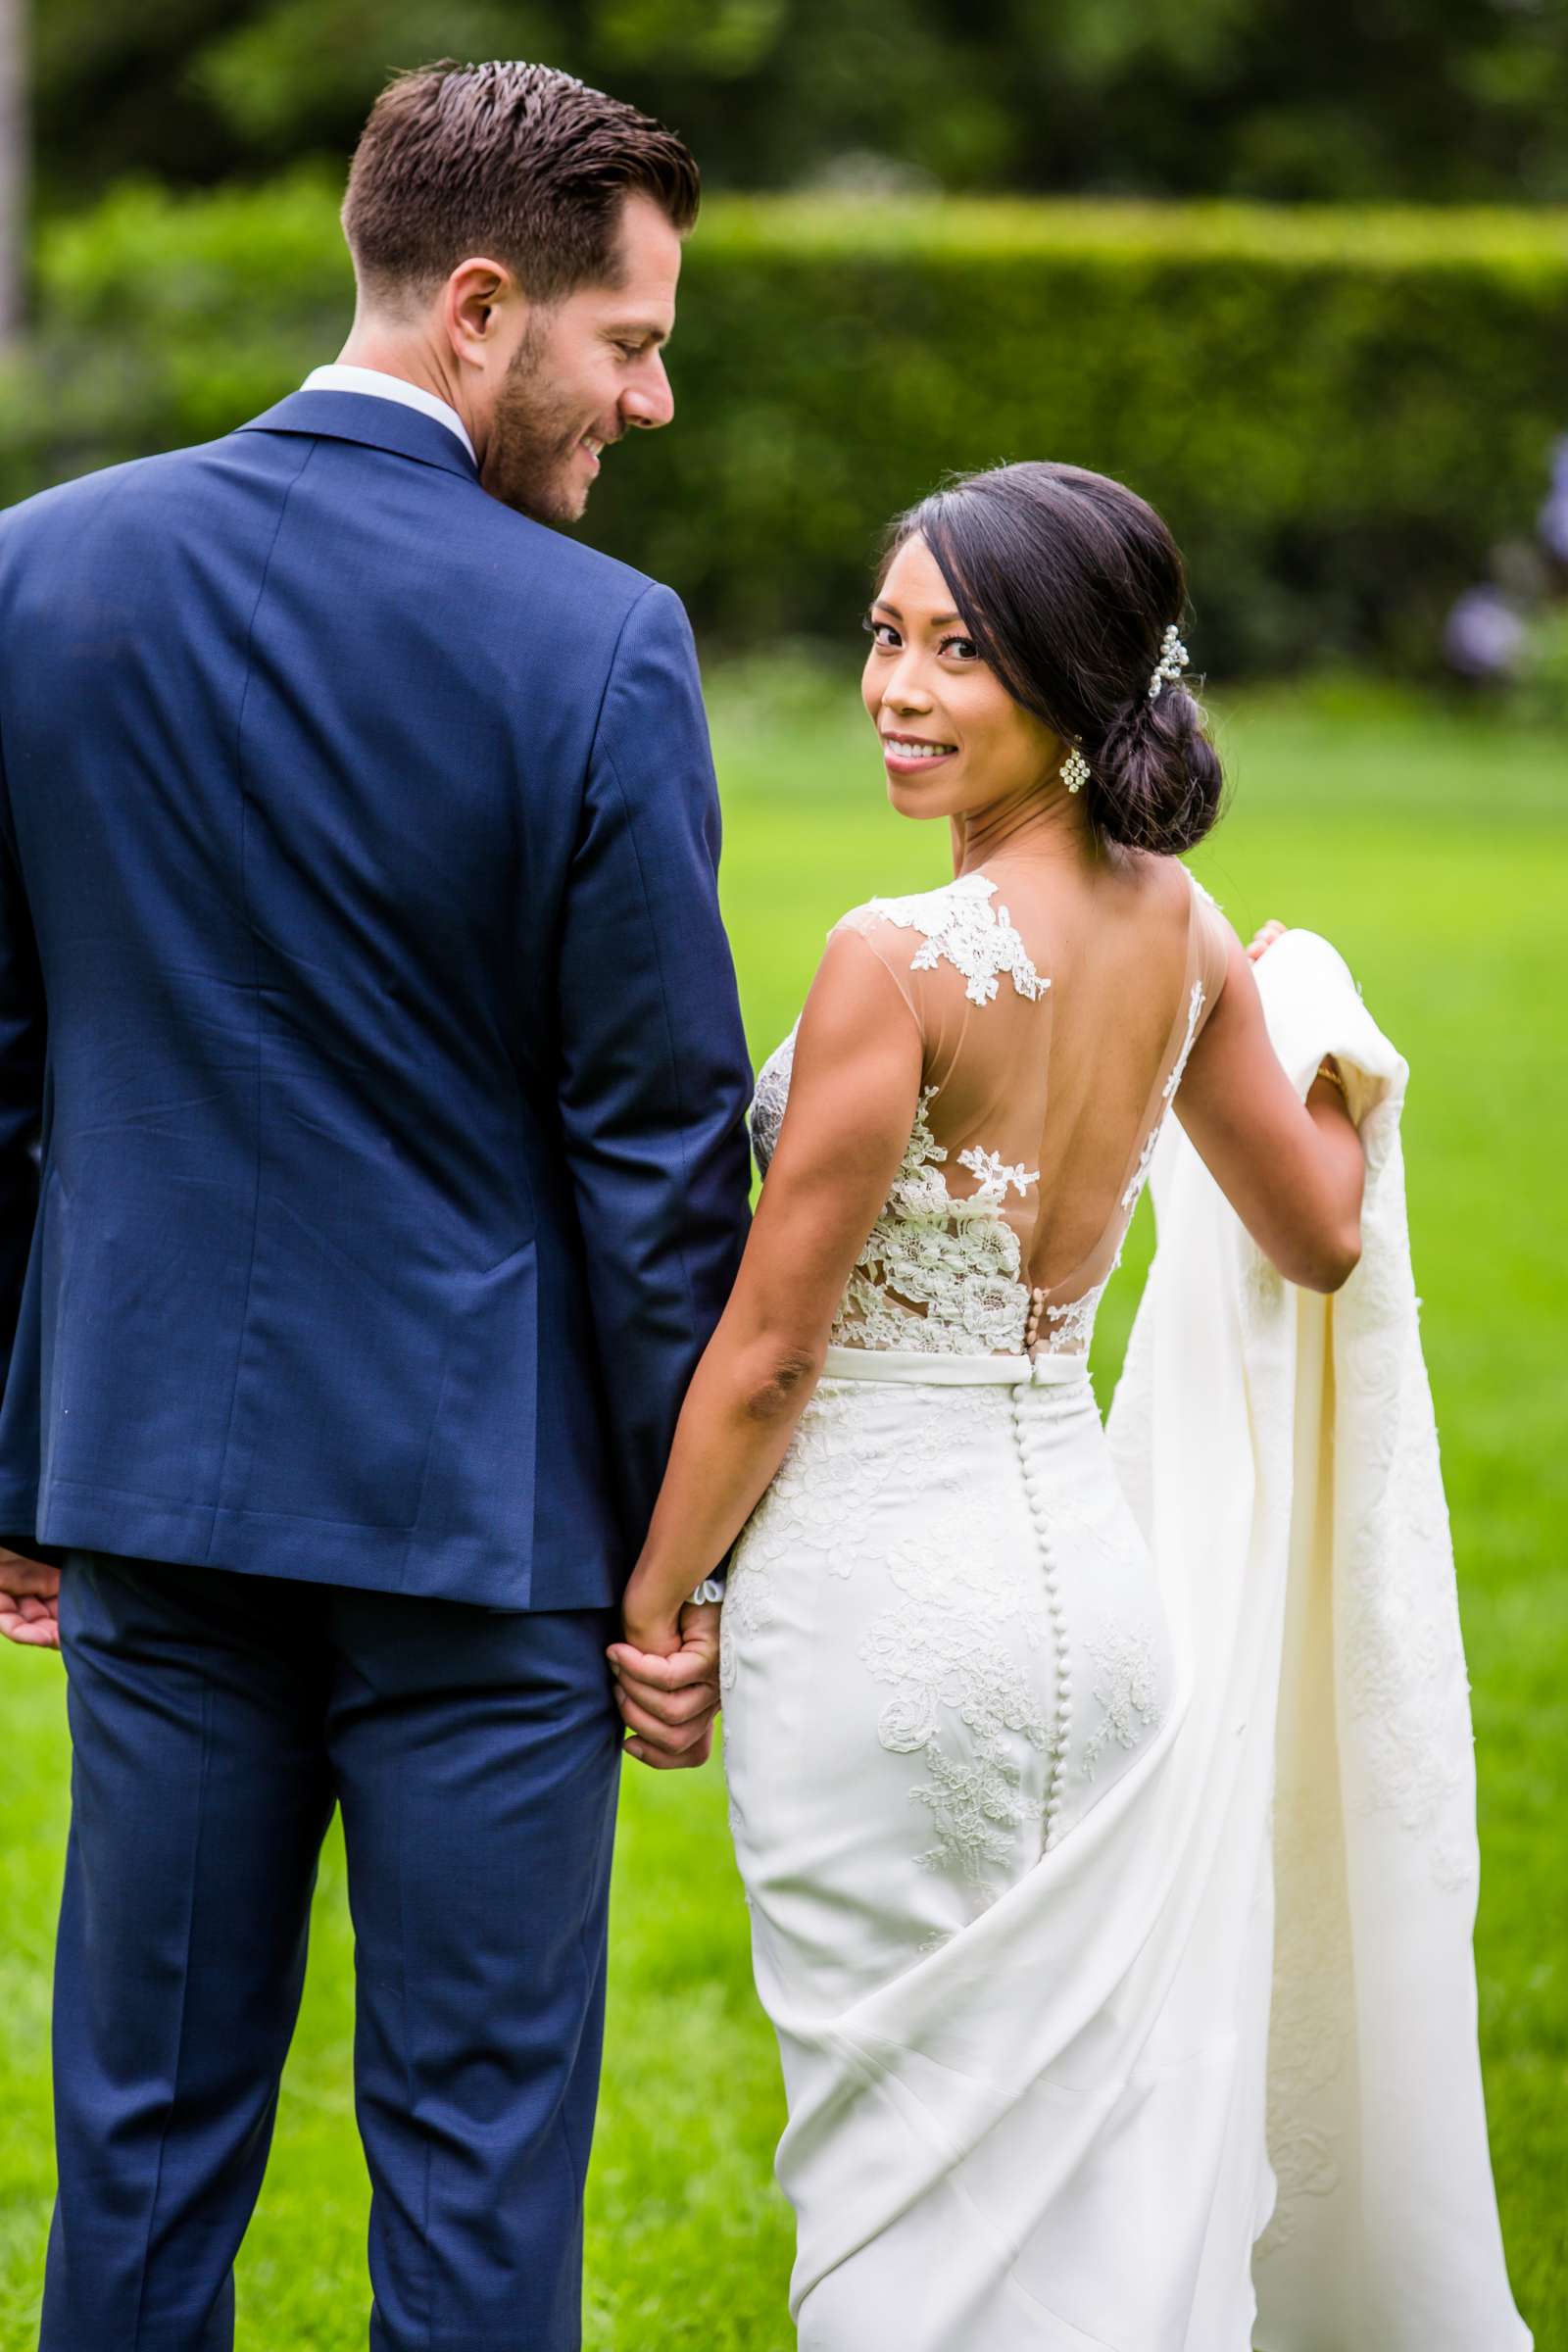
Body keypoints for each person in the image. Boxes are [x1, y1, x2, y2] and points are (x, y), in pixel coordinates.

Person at [608, 463, 1532, 2346]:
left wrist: (655, 1604)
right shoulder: (1182, 930)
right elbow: (1324, 1233)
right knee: (1065, 2167)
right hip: (1093, 1616)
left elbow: (775, 1348)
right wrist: (1324, 1025)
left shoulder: (897, 960)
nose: (899, 688)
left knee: (888, 2173)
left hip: (877, 1618)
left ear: (1075, 679)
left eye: (962, 650)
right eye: (886, 636)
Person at [0, 61, 750, 2351]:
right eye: (626, 344)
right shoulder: (598, 646)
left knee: (135, 2149)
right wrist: (676, 1554)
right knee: (474, 2165)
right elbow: (651, 1148)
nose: (648, 399)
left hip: (150, 1490)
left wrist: (14, 1454)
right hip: (485, 1533)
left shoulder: (39, 575)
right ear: (481, 308)